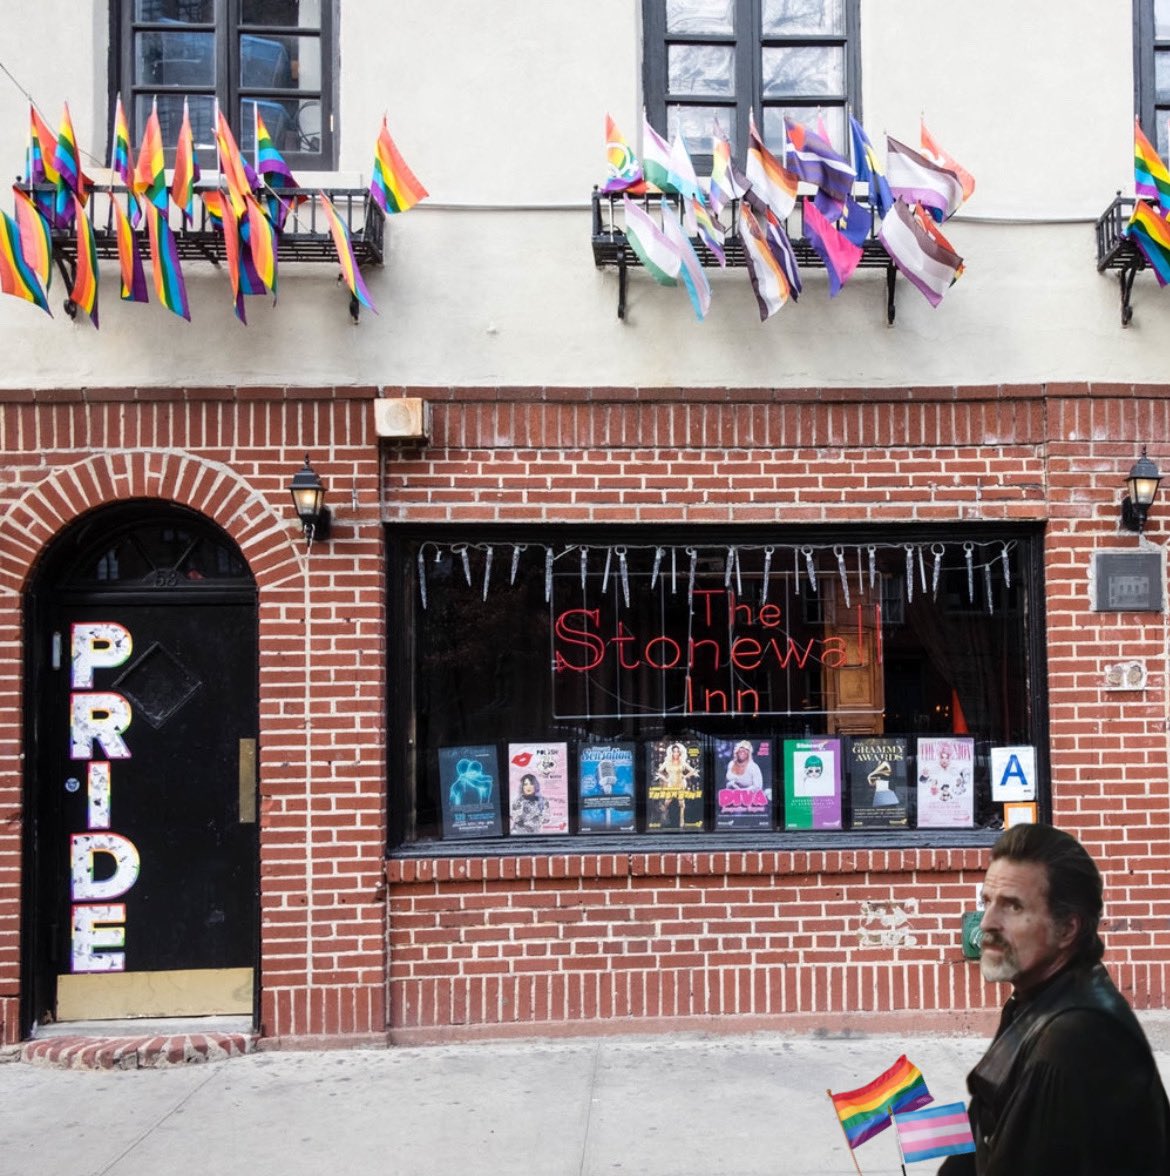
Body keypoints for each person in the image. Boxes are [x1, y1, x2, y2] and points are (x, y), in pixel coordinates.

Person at [939, 823, 1170, 1175]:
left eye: (1012, 907)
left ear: (1067, 929)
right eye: (987, 902)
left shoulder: (1070, 1041)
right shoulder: (1035, 1000)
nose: (986, 923)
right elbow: (981, 1122)